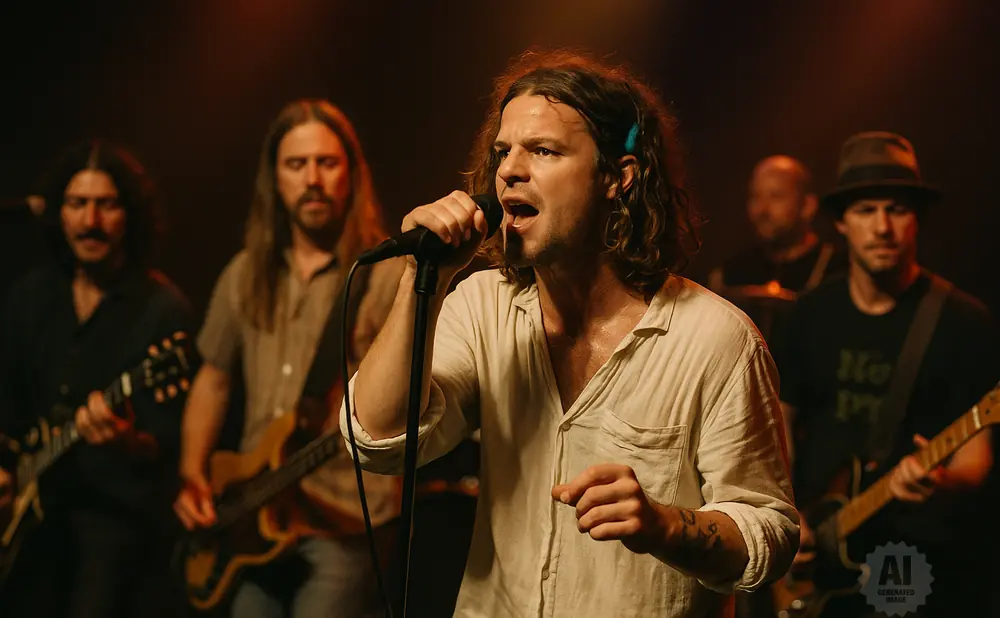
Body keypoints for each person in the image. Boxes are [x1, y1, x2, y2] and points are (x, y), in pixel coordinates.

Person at [341, 50, 799, 617]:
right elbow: (377, 441)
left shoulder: (715, 339)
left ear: (618, 179)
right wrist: (422, 278)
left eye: (544, 151)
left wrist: (664, 525)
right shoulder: (481, 306)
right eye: (502, 151)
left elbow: (770, 532)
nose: (509, 169)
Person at [173, 98, 404, 617]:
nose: (312, 179)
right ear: (274, 179)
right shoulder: (244, 273)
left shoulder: (387, 274)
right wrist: (192, 476)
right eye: (296, 165)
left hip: (343, 519)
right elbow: (213, 380)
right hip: (254, 512)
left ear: (352, 173)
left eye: (327, 163)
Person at [774, 131, 1000, 617]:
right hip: (817, 538)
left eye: (897, 209)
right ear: (841, 222)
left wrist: (940, 482)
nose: (882, 227)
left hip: (914, 556)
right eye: (865, 210)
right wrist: (786, 512)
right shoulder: (808, 315)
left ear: (917, 218)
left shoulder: (963, 321)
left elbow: (976, 456)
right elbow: (780, 424)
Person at [0, 140, 197, 618]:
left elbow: (169, 444)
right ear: (58, 214)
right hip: (31, 517)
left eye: (106, 205)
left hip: (115, 520)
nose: (90, 220)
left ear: (129, 214)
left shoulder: (163, 309)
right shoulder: (31, 297)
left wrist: (126, 440)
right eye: (77, 204)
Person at [708, 155, 845, 343]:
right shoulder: (732, 272)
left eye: (776, 197)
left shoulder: (838, 269)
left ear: (807, 205)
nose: (762, 210)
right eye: (756, 197)